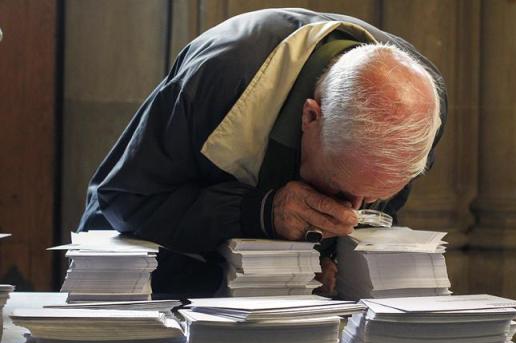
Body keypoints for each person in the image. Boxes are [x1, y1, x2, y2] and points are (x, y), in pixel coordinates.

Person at [77, 8, 447, 296]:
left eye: (376, 195)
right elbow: (126, 199)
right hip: (147, 280)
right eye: (341, 189)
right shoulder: (220, 74)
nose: (354, 211)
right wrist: (261, 212)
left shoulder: (421, 104)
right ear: (310, 116)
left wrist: (331, 255)